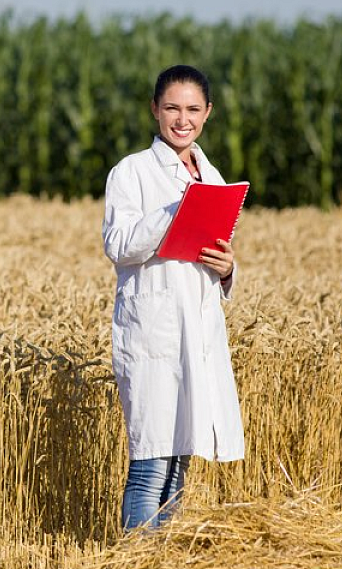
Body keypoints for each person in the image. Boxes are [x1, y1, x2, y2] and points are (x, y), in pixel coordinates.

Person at [101, 64, 243, 532]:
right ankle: (138, 559)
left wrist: (227, 271)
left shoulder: (215, 176)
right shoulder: (132, 172)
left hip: (196, 335)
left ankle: (167, 557)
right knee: (150, 467)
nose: (183, 119)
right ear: (155, 111)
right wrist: (172, 212)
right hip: (155, 338)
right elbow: (119, 245)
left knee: (181, 467)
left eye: (193, 109)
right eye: (172, 108)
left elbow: (212, 258)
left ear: (208, 113)